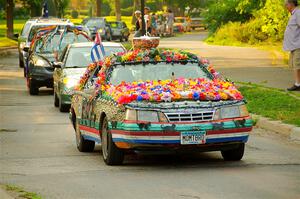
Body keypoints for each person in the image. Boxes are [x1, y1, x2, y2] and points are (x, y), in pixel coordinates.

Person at [284, 0, 300, 91]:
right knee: (295, 65)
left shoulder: (298, 13)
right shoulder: (294, 14)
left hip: (298, 45)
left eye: (286, 4)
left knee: (297, 65)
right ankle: (298, 83)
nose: (285, 6)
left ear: (291, 4)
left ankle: (298, 84)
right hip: (294, 45)